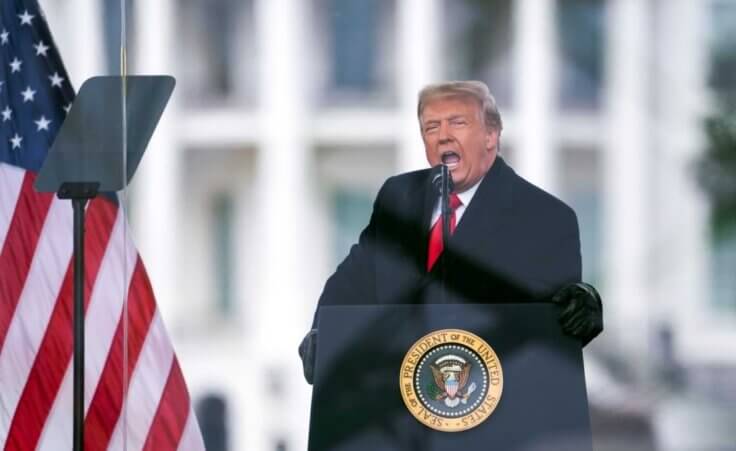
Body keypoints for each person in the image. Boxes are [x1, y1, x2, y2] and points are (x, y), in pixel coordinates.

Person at [299, 81, 602, 384]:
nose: (443, 136)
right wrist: (322, 334)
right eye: (431, 127)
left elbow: (558, 313)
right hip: (396, 404)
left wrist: (581, 304)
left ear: (490, 135)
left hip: (494, 405)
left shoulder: (545, 216)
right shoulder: (399, 196)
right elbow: (353, 282)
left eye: (458, 123)